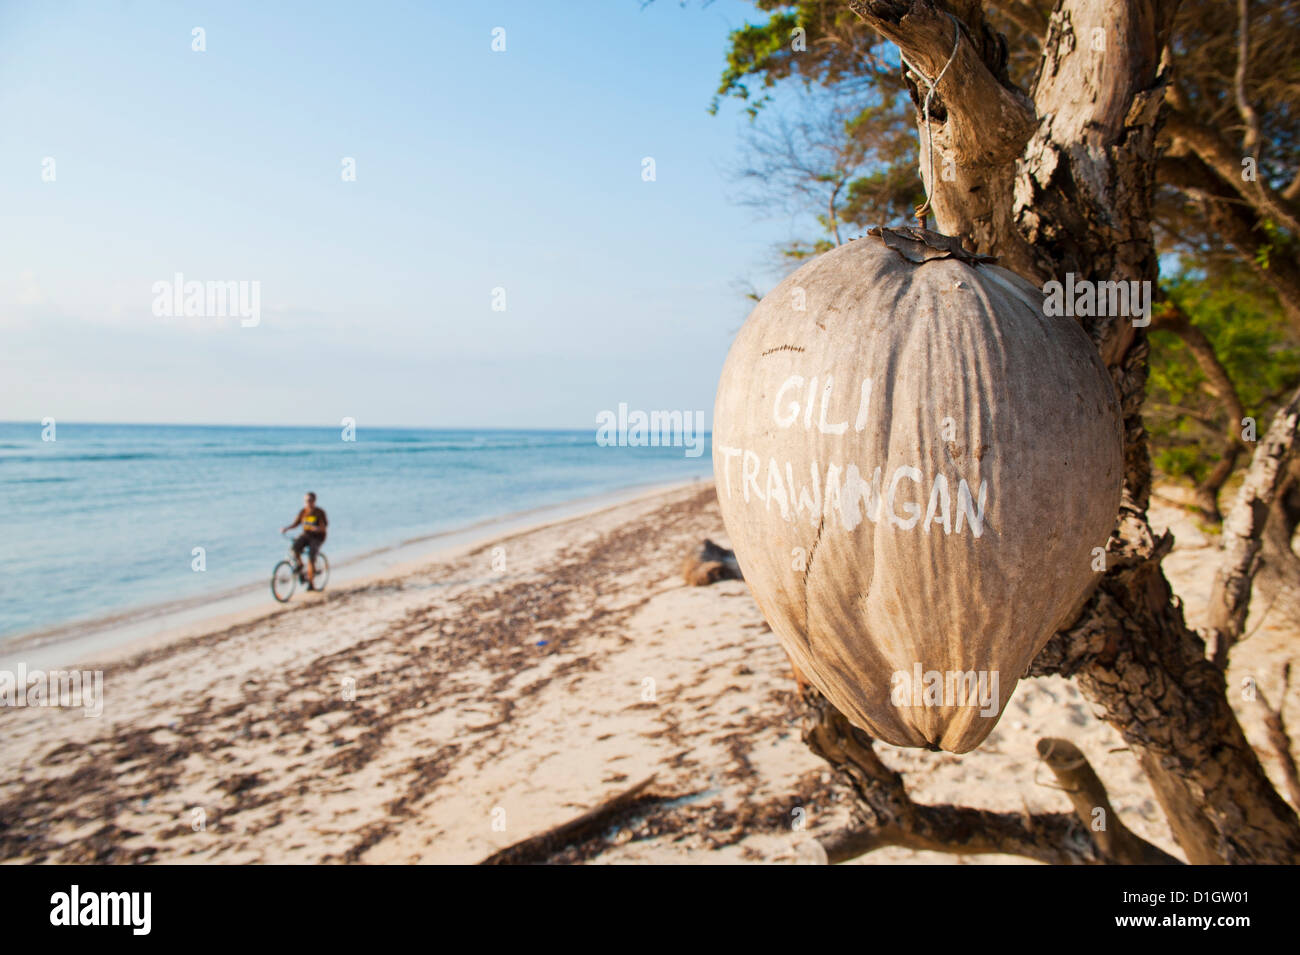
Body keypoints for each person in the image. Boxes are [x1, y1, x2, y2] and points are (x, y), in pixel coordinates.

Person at [281, 492, 328, 590]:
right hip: (306, 535)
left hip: (317, 537)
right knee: (294, 548)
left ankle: (311, 584)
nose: (308, 503)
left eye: (310, 501)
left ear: (314, 501)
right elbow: (296, 523)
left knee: (311, 557)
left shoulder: (319, 512)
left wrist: (317, 529)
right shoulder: (303, 512)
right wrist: (286, 528)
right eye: (306, 501)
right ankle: (300, 565)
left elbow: (324, 528)